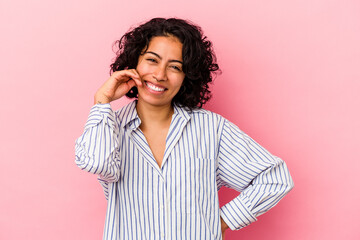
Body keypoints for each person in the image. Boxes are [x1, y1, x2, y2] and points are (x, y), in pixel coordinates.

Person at [75, 17, 294, 240]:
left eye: (175, 67)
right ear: (134, 63)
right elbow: (96, 163)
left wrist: (223, 221)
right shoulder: (109, 127)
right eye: (152, 60)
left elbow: (275, 179)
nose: (160, 75)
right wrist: (102, 101)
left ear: (185, 77)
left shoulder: (211, 128)